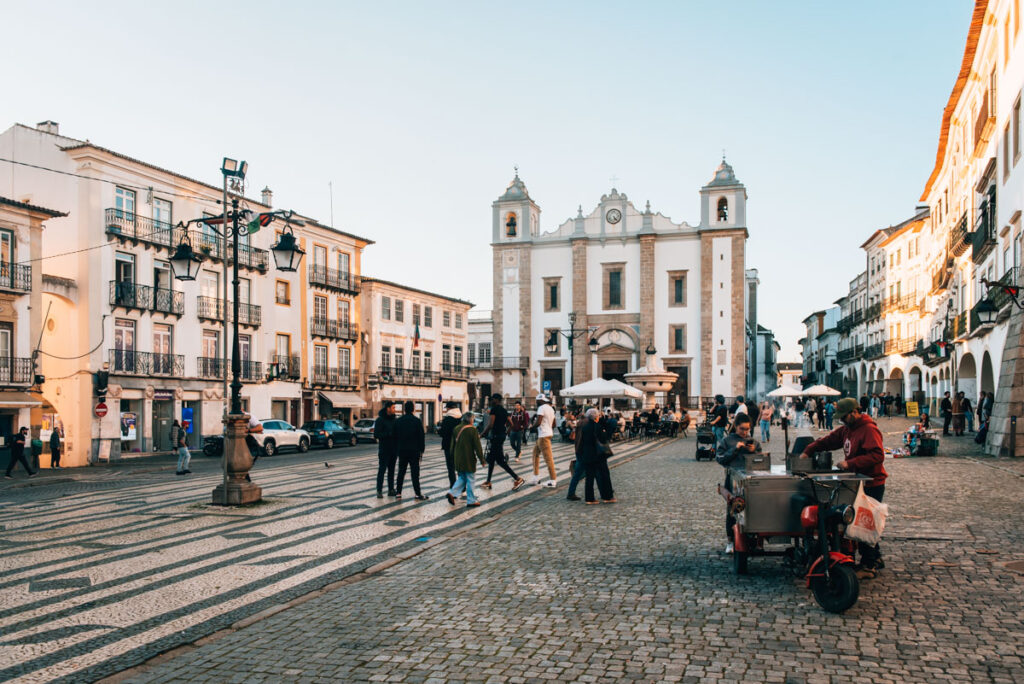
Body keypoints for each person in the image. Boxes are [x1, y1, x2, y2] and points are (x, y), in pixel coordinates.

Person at [801, 397, 887, 579]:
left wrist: (851, 463)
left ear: (855, 412)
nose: (842, 420)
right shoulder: (848, 429)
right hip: (857, 482)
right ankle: (876, 557)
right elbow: (830, 441)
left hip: (872, 482)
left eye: (844, 416)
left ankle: (868, 565)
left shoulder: (869, 429)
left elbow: (877, 455)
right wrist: (809, 449)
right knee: (859, 520)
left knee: (864, 523)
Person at [716, 413, 761, 552]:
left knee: (754, 510)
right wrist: (735, 449)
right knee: (733, 510)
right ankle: (730, 541)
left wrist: (754, 452)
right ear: (736, 426)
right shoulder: (727, 440)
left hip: (750, 480)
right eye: (742, 429)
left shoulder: (753, 441)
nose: (745, 432)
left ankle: (755, 540)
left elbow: (761, 462)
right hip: (733, 480)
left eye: (747, 429)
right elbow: (720, 459)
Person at [481, 394, 525, 491]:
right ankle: (488, 481)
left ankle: (518, 478)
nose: (491, 401)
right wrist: (505, 433)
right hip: (501, 436)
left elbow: (491, 424)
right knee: (492, 460)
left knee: (500, 461)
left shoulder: (494, 409)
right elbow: (511, 424)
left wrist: (482, 434)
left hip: (496, 436)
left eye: (492, 399)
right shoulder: (504, 410)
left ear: (496, 400)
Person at [445, 412, 487, 508]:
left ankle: (452, 493)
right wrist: (482, 459)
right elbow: (477, 446)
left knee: (462, 477)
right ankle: (471, 500)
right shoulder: (472, 430)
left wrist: (452, 456)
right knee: (471, 479)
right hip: (468, 458)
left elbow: (452, 445)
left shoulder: (456, 428)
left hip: (458, 457)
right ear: (471, 419)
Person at [578, 407, 615, 504]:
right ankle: (607, 497)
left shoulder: (585, 427)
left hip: (587, 455)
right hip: (598, 455)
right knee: (604, 475)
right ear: (596, 417)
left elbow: (581, 442)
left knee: (589, 478)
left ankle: (589, 499)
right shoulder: (597, 427)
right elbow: (604, 438)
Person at [393, 401, 427, 500]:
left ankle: (398, 492)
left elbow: (394, 436)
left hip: (402, 450)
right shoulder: (416, 421)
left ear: (404, 409)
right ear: (413, 409)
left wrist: (397, 449)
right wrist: (422, 450)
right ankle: (417, 493)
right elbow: (421, 437)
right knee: (415, 473)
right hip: (414, 451)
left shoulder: (398, 421)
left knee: (401, 472)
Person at [566, 408, 595, 501]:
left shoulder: (580, 422)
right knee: (595, 472)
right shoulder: (588, 423)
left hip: (579, 449)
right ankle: (606, 492)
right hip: (584, 451)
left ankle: (571, 493)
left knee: (578, 474)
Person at [529, 393, 557, 487]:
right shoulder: (551, 409)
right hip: (547, 434)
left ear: (541, 401)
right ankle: (536, 477)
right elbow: (554, 425)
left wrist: (531, 427)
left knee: (548, 458)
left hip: (543, 436)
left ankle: (553, 480)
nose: (537, 403)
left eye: (537, 401)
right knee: (535, 454)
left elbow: (538, 421)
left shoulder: (541, 408)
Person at [374, 401, 398, 498]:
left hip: (394, 449)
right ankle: (379, 490)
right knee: (382, 470)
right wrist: (388, 434)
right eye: (393, 408)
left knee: (391, 471)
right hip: (384, 449)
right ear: (388, 408)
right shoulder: (380, 420)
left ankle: (391, 489)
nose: (394, 410)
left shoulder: (394, 420)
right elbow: (376, 435)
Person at [438, 401, 462, 487]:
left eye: (447, 408)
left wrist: (439, 430)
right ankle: (463, 487)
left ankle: (453, 485)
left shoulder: (447, 419)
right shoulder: (461, 418)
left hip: (448, 446)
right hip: (459, 445)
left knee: (451, 468)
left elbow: (443, 432)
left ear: (450, 408)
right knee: (460, 467)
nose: (446, 410)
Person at [243, 414, 264, 483]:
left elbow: (260, 428)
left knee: (246, 463)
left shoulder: (248, 416)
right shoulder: (231, 416)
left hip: (248, 443)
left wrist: (247, 431)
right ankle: (246, 478)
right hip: (239, 443)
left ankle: (246, 477)